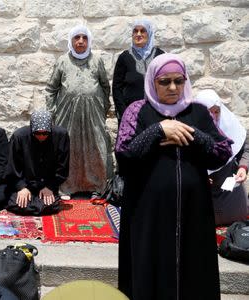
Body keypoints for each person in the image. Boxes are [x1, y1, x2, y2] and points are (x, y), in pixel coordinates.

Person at [115, 53, 232, 300]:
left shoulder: (198, 112)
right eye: (165, 81)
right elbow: (124, 155)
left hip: (193, 211)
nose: (173, 87)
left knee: (194, 270)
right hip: (147, 211)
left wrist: (192, 135)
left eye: (179, 81)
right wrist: (158, 130)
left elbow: (222, 153)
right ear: (152, 82)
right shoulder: (138, 111)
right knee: (149, 268)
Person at [46, 24, 112, 199]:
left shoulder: (97, 61)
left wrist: (101, 109)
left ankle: (97, 186)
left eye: (84, 38)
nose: (81, 41)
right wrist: (53, 113)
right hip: (67, 114)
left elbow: (106, 86)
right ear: (71, 41)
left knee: (96, 147)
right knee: (69, 148)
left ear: (89, 41)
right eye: (77, 38)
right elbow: (51, 89)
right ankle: (67, 187)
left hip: (93, 114)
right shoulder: (62, 61)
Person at [195, 89, 248, 225]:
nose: (214, 116)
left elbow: (245, 147)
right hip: (202, 195)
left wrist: (242, 168)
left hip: (230, 194)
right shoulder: (189, 130)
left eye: (216, 111)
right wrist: (198, 176)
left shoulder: (230, 125)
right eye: (208, 112)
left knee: (237, 230)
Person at [6, 110, 70, 215]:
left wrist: (50, 187)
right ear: (32, 129)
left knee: (51, 205)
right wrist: (21, 187)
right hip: (25, 184)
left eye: (45, 133)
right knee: (17, 203)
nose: (41, 136)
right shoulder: (19, 137)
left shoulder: (61, 136)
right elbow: (12, 167)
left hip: (47, 185)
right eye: (37, 133)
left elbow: (63, 167)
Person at [112, 19, 164, 124]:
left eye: (142, 31)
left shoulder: (160, 55)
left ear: (149, 34)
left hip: (156, 113)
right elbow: (116, 88)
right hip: (131, 116)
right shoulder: (125, 57)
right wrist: (124, 113)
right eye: (135, 31)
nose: (138, 34)